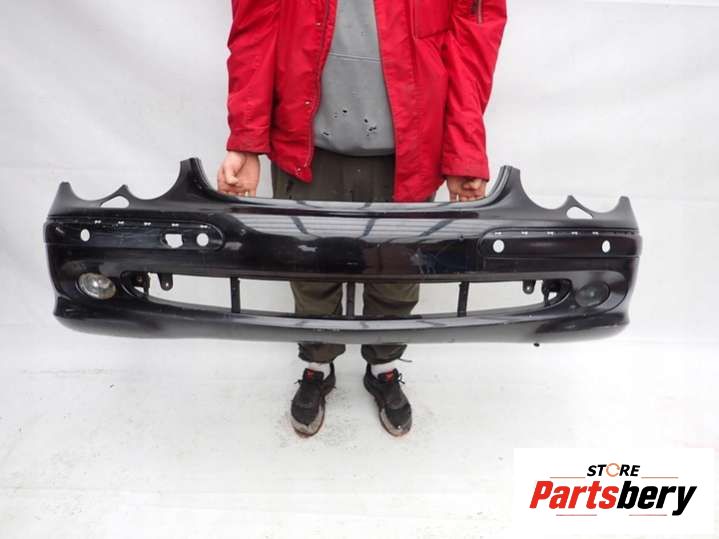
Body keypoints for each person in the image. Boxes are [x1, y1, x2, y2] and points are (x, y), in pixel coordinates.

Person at [217, 0, 506, 436]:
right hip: (308, 143)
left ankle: (384, 366)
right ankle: (317, 364)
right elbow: (255, 26)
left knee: (397, 273)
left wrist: (464, 152)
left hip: (409, 148)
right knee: (310, 269)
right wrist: (245, 139)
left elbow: (472, 43)